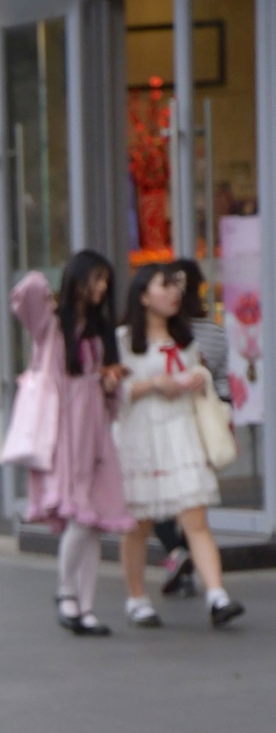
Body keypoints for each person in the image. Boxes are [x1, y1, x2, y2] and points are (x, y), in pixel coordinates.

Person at [10, 254, 133, 636]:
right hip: (63, 434)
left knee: (92, 522)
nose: (102, 288)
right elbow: (26, 293)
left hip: (95, 433)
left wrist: (110, 384)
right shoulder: (52, 326)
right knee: (80, 518)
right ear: (78, 279)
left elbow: (109, 391)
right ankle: (66, 592)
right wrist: (50, 291)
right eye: (96, 279)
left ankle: (86, 605)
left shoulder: (100, 331)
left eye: (105, 281)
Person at [116, 264, 243, 629]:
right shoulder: (123, 340)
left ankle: (217, 595)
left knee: (195, 518)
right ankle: (136, 598)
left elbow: (200, 374)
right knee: (138, 524)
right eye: (164, 286)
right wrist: (154, 384)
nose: (174, 293)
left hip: (181, 432)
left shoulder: (185, 338)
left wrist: (197, 378)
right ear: (143, 296)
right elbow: (114, 391)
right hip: (141, 436)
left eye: (176, 286)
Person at [157, 259, 231, 600]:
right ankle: (185, 561)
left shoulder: (162, 333)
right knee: (193, 500)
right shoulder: (213, 333)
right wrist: (225, 415)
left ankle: (176, 554)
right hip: (201, 424)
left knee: (161, 497)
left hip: (164, 424)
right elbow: (222, 384)